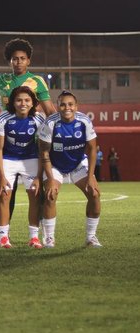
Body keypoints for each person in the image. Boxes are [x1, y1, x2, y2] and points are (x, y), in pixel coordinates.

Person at [0, 38, 56, 226]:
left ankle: (40, 230)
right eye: (14, 58)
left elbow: (50, 112)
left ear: (28, 60)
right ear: (9, 61)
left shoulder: (37, 81)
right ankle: (4, 233)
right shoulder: (1, 81)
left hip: (32, 144)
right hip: (8, 143)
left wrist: (54, 138)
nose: (18, 62)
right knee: (6, 192)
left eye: (22, 58)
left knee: (37, 191)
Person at [38, 91, 102, 247]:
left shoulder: (84, 121)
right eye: (63, 104)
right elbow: (44, 152)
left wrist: (91, 176)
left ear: (76, 106)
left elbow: (92, 149)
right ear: (58, 106)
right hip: (55, 165)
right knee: (51, 195)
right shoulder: (50, 123)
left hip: (77, 164)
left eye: (70, 104)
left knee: (94, 194)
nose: (67, 107)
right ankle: (49, 238)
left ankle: (91, 237)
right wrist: (51, 179)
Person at [0, 86, 47, 249]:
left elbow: (42, 149)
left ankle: (34, 237)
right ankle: (3, 237)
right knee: (4, 196)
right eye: (19, 100)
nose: (23, 103)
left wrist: (38, 176)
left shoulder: (39, 119)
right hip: (8, 159)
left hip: (30, 159)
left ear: (33, 103)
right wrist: (1, 176)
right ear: (12, 102)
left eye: (27, 100)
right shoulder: (3, 118)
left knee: (35, 196)